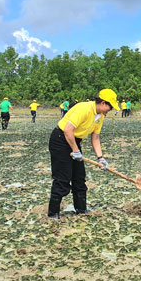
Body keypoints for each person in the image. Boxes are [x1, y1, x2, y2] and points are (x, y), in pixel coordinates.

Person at [47, 88, 120, 219]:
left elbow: (95, 137)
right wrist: (75, 150)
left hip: (74, 141)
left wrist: (101, 158)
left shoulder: (100, 116)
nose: (111, 110)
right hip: (60, 139)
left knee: (79, 177)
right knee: (62, 178)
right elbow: (68, 130)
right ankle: (53, 214)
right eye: (110, 107)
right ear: (103, 103)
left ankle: (81, 210)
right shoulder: (84, 109)